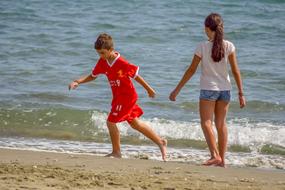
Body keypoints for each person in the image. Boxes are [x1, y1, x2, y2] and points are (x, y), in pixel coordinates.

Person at [69, 33, 167, 161]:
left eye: (103, 53)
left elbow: (136, 76)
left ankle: (116, 152)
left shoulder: (121, 62)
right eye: (98, 53)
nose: (101, 56)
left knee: (110, 122)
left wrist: (149, 89)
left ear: (111, 50)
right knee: (135, 124)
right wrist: (78, 81)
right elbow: (93, 76)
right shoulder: (103, 62)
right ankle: (161, 142)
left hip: (127, 97)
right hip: (118, 97)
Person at [169, 13, 246, 167]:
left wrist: (177, 90)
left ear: (206, 28)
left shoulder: (202, 47)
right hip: (225, 90)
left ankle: (214, 155)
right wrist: (241, 93)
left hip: (208, 89)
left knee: (206, 123)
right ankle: (222, 161)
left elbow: (191, 70)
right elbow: (236, 71)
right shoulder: (229, 46)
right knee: (221, 124)